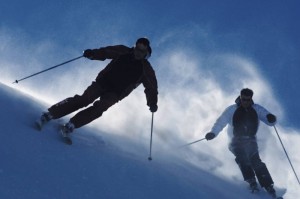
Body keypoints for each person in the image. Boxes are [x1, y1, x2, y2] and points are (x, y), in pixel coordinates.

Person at [36, 38, 158, 138]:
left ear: (146, 53)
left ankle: (72, 125)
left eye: (142, 51)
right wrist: (93, 54)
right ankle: (51, 113)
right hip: (102, 82)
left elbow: (151, 87)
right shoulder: (123, 51)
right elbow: (107, 52)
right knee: (84, 99)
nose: (138, 52)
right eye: (137, 48)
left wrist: (152, 102)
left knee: (99, 108)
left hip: (115, 93)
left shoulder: (146, 69)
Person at [205, 88, 278, 197]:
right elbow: (220, 122)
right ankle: (251, 180)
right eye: (243, 99)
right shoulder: (232, 110)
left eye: (248, 100)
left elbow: (269, 119)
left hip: (250, 140)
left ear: (251, 99)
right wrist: (213, 133)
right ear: (240, 97)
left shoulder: (256, 109)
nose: (245, 102)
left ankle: (268, 186)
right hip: (235, 140)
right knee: (242, 157)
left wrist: (271, 118)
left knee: (256, 161)